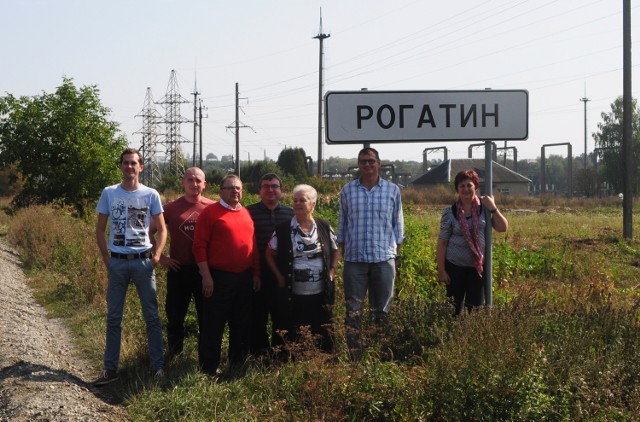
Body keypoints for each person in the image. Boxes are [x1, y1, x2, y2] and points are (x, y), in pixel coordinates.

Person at [93, 147, 167, 386]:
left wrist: (156, 255)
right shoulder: (109, 193)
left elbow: (163, 230)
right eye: (125, 163)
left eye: (133, 163)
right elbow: (99, 230)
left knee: (152, 318)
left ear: (141, 167)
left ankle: (158, 368)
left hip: (143, 263)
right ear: (121, 166)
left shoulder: (151, 194)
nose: (129, 167)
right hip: (118, 263)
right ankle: (110, 370)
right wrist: (107, 258)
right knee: (114, 319)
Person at [338, 147, 405, 360]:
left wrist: (395, 250)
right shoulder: (348, 190)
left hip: (383, 258)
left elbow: (398, 222)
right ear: (358, 164)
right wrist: (342, 247)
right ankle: (354, 357)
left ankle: (380, 355)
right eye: (363, 161)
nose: (367, 165)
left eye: (371, 161)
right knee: (353, 311)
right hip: (355, 260)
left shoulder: (392, 190)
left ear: (379, 163)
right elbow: (343, 222)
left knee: (383, 310)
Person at [192, 174, 260, 376]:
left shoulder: (246, 213)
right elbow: (199, 247)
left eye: (238, 188)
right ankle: (208, 368)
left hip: (244, 278)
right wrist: (206, 276)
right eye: (230, 188)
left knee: (241, 323)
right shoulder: (210, 213)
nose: (234, 191)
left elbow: (253, 247)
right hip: (218, 277)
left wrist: (256, 273)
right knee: (214, 324)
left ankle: (236, 365)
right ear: (220, 191)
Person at [265, 184, 339, 354]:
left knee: (319, 326)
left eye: (302, 200)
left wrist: (332, 271)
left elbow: (335, 249)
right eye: (295, 200)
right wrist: (279, 276)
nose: (297, 204)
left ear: (313, 204)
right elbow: (269, 253)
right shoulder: (283, 229)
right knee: (292, 325)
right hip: (293, 292)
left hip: (319, 291)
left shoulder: (324, 226)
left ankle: (320, 360)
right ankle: (289, 360)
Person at [151, 167, 215, 359]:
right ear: (183, 183)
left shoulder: (213, 207)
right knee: (175, 316)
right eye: (190, 180)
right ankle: (174, 355)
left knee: (207, 316)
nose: (194, 184)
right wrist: (161, 257)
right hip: (179, 269)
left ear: (205, 184)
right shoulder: (170, 208)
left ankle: (205, 358)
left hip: (206, 272)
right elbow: (149, 231)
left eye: (198, 181)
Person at [436, 169, 508, 315]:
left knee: (475, 310)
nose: (466, 189)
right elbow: (442, 242)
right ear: (457, 189)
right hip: (455, 267)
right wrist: (442, 270)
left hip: (477, 268)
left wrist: (493, 208)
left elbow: (502, 228)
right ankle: (452, 336)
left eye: (469, 185)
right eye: (462, 186)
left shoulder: (484, 209)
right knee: (452, 310)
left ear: (475, 187)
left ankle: (470, 337)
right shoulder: (450, 212)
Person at [246, 173, 294, 356]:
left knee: (281, 314)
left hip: (282, 274)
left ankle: (280, 352)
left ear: (281, 190)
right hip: (257, 273)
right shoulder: (248, 212)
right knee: (257, 315)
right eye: (266, 186)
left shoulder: (290, 213)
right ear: (259, 190)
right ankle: (259, 352)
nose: (270, 190)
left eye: (274, 186)